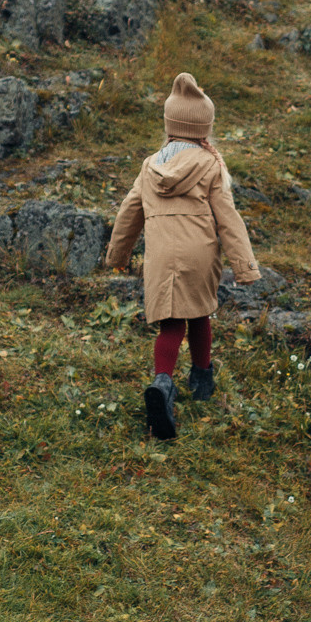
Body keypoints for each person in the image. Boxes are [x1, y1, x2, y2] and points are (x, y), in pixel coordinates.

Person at [105, 72, 259, 440]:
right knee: (200, 310)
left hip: (160, 256)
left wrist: (118, 254)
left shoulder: (150, 166)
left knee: (171, 322)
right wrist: (244, 265)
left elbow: (130, 212)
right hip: (199, 254)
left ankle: (162, 383)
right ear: (204, 128)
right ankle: (202, 379)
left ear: (170, 125)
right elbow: (228, 218)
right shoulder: (210, 165)